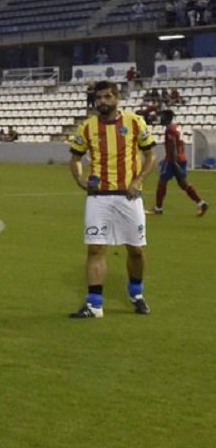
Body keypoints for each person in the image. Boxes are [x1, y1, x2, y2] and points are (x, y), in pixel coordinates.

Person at [67, 80, 156, 318]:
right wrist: (80, 179)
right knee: (95, 248)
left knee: (136, 250)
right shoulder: (87, 127)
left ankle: (136, 294)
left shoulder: (134, 122)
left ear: (117, 98)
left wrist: (138, 180)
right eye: (99, 98)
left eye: (107, 97)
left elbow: (150, 156)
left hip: (129, 197)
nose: (102, 102)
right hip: (99, 198)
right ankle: (95, 304)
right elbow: (75, 158)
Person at [153, 108, 208, 216]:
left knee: (162, 182)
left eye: (162, 116)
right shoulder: (176, 127)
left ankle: (158, 209)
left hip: (172, 160)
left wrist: (174, 163)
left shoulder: (169, 129)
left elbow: (173, 145)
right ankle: (201, 203)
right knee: (183, 184)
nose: (160, 118)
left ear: (167, 117)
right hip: (182, 158)